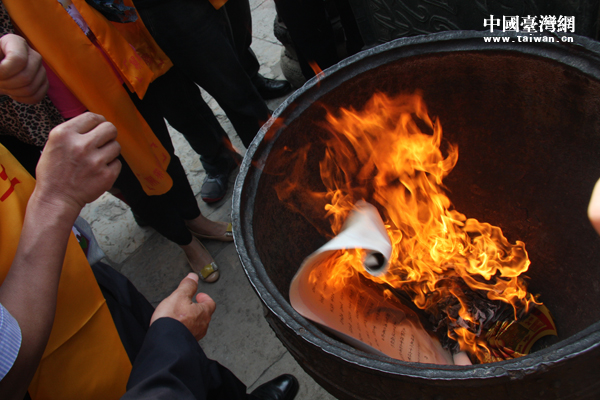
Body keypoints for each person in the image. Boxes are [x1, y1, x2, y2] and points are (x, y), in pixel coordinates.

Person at [0, 112, 299, 400]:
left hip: (72, 271)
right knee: (166, 348)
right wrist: (54, 201)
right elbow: (8, 372)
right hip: (50, 359)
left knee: (155, 339)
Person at [0, 2, 232, 282]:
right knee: (127, 177)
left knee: (161, 151)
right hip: (68, 87)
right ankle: (186, 242)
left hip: (115, 56)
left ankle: (196, 219)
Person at [131, 0, 291, 203]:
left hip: (173, 6)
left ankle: (274, 152)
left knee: (227, 79)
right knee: (176, 102)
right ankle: (219, 158)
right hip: (122, 21)